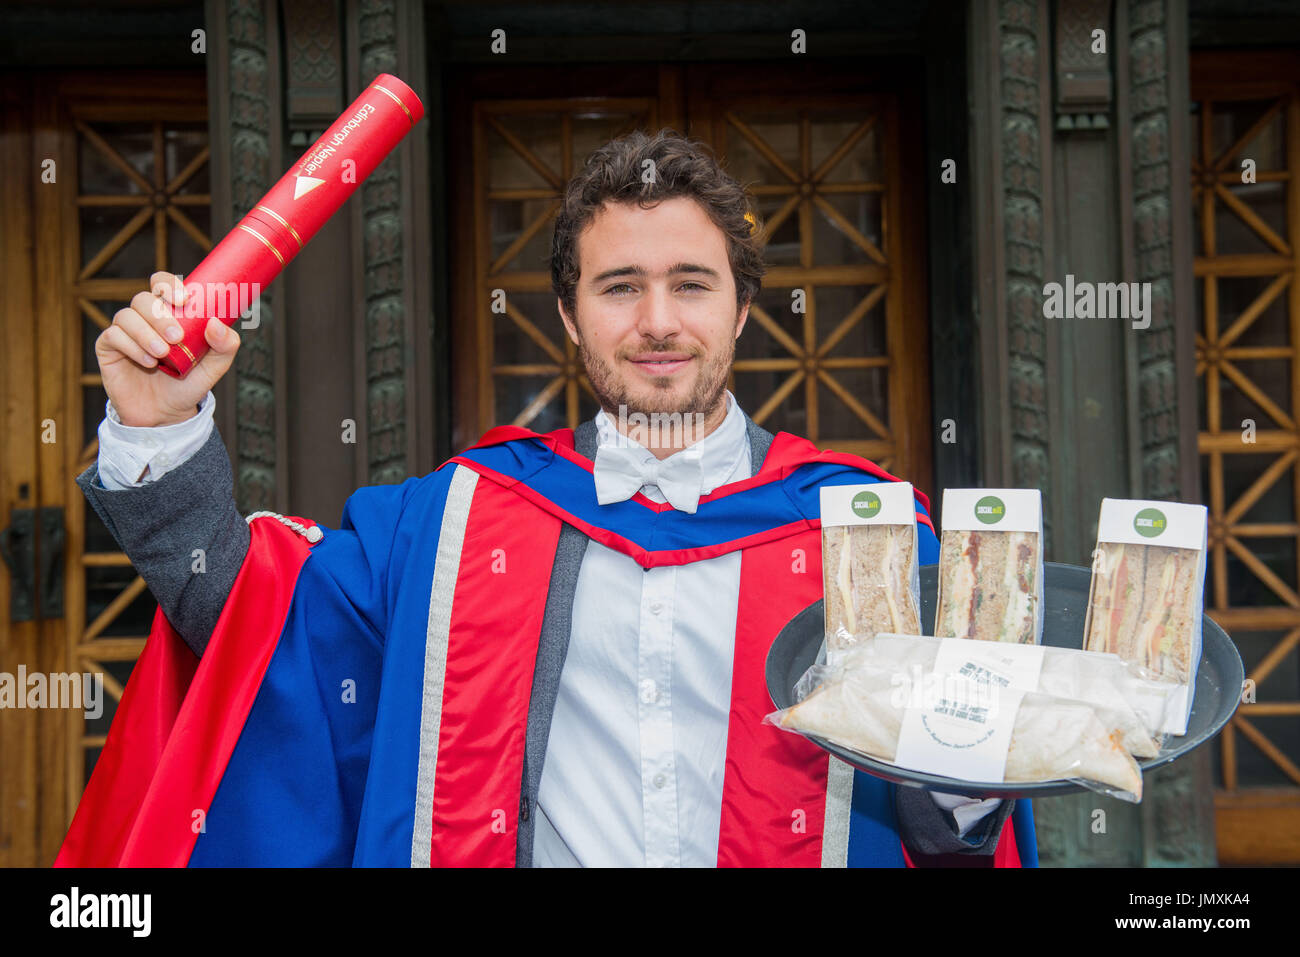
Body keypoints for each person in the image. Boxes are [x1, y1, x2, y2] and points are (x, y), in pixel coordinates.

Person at [57, 129, 1034, 868]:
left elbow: (946, 827)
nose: (657, 323)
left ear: (741, 307)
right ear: (569, 316)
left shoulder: (867, 533)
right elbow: (249, 629)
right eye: (618, 288)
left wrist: (984, 768)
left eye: (691, 285)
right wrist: (158, 427)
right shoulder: (447, 523)